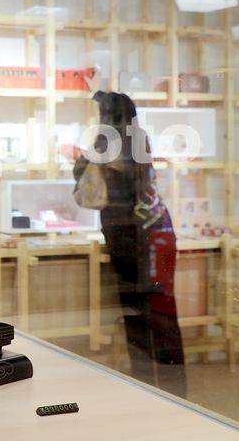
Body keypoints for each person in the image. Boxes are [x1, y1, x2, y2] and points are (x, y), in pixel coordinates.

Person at [71, 91, 187, 397]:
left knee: (148, 315)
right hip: (147, 235)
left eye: (102, 112)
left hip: (140, 238)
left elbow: (84, 175)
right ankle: (163, 390)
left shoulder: (115, 141)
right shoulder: (134, 138)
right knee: (150, 314)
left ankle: (158, 389)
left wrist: (86, 156)